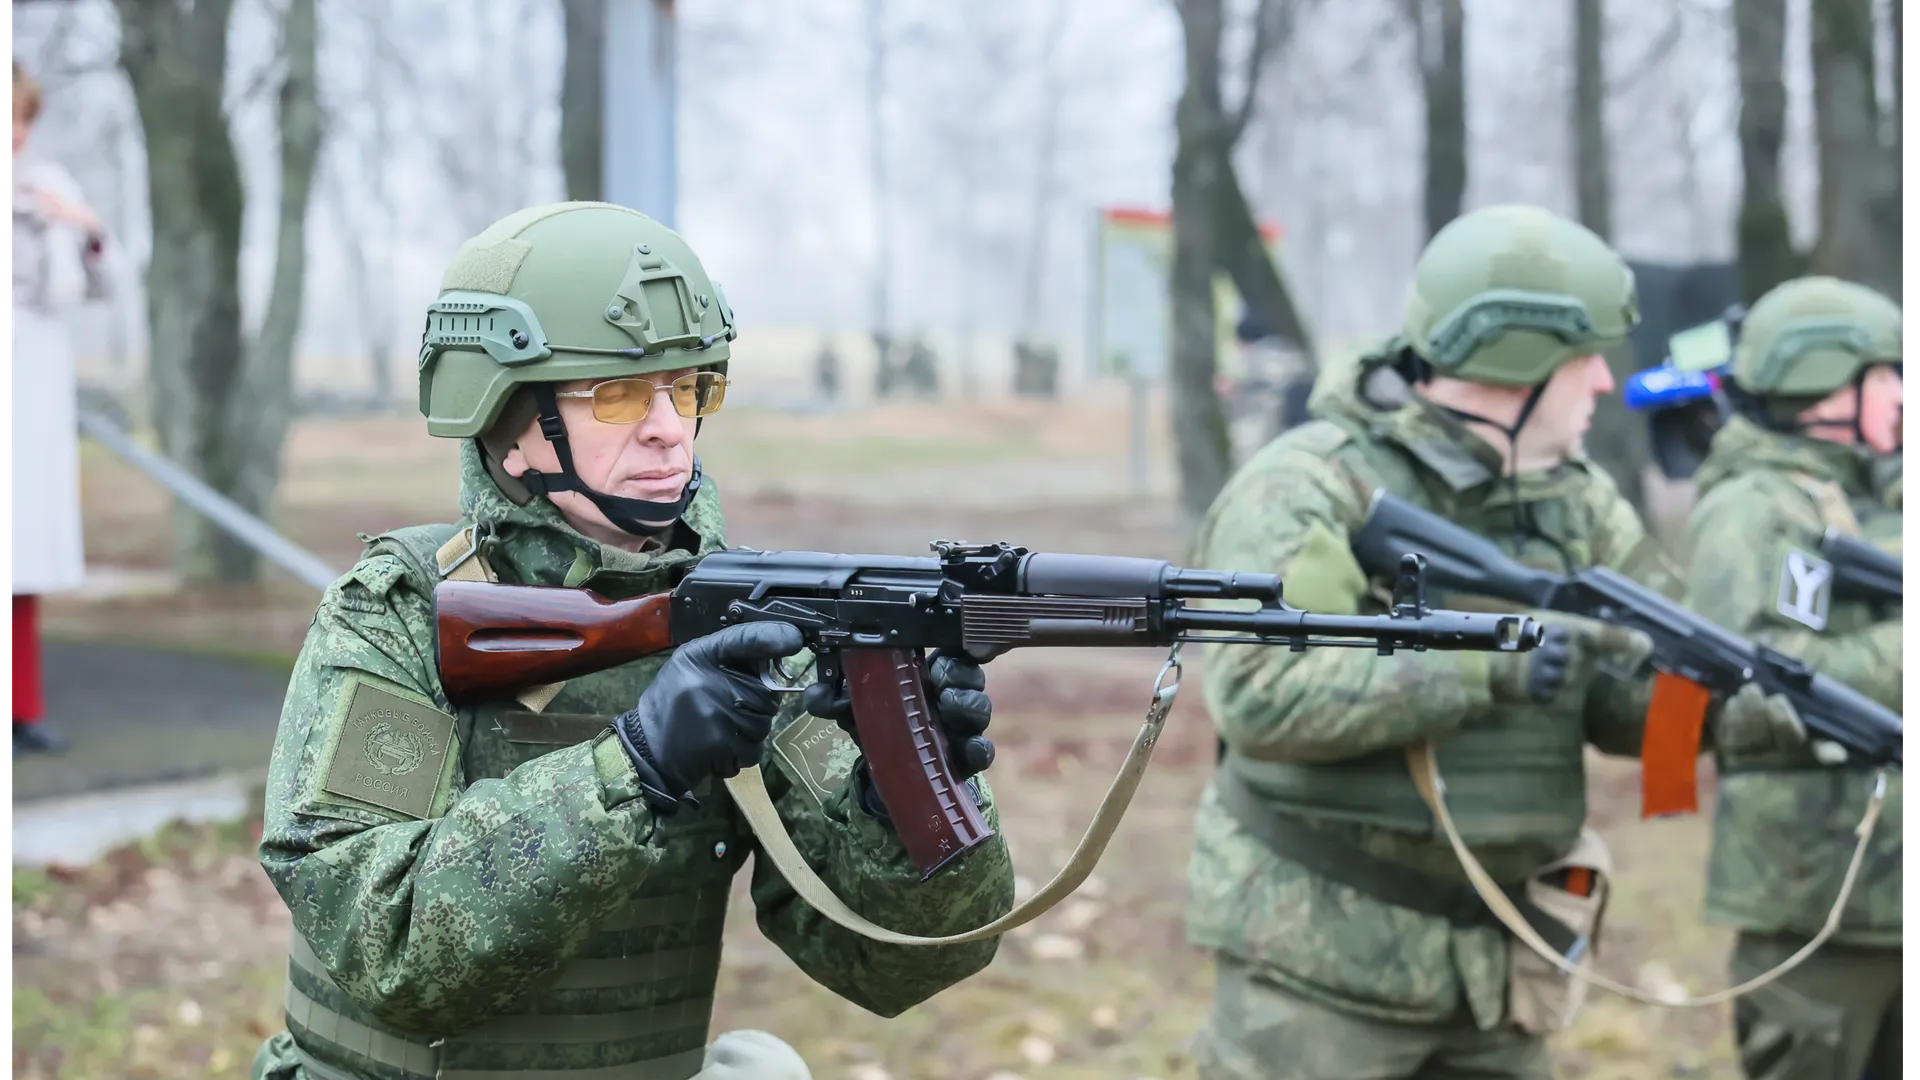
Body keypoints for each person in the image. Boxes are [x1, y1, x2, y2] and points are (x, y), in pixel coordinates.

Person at [249, 202, 1016, 1080]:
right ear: (509, 419)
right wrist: (636, 767)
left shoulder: (752, 627)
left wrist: (903, 803)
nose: (666, 428)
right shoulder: (398, 614)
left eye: (688, 389)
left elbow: (894, 965)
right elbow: (381, 941)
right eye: (615, 395)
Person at [1183, 204, 1807, 1080]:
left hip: (1504, 971)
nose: (1602, 383)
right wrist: (1486, 660)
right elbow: (1263, 695)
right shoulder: (1308, 487)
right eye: (1582, 357)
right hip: (1318, 970)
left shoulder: (1578, 502)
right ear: (1513, 362)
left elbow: (1628, 697)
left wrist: (1727, 718)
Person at [1680, 276, 1904, 1080]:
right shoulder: (1756, 511)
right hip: (1819, 903)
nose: (1901, 394)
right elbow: (1739, 695)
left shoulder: (1866, 494)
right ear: (1825, 385)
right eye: (1887, 374)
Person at [10, 59, 117, 755]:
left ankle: (23, 705)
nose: (16, 132)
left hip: (33, 379)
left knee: (23, 555)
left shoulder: (49, 186)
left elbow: (99, 286)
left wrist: (87, 230)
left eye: (22, 117)